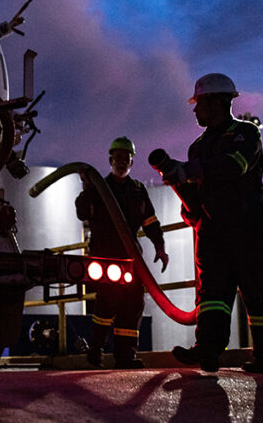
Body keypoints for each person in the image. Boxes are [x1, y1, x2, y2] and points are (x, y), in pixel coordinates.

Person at [162, 73, 263, 373]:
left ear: (218, 102)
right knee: (212, 295)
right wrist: (187, 200)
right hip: (212, 231)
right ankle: (208, 351)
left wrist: (189, 170)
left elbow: (235, 165)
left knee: (258, 290)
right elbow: (198, 188)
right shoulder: (198, 147)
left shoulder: (246, 134)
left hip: (246, 227)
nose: (194, 110)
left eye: (199, 102)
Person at [76, 136, 169, 369]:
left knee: (133, 303)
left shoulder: (138, 190)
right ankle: (96, 350)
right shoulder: (99, 188)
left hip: (131, 257)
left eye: (126, 158)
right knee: (107, 301)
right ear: (110, 159)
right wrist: (88, 187)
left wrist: (160, 246)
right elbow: (81, 213)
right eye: (118, 158)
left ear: (131, 162)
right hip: (105, 255)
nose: (121, 162)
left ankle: (125, 355)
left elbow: (150, 222)